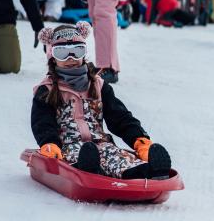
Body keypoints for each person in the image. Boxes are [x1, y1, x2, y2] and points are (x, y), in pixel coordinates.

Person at [31, 22, 172, 179]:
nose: (71, 58)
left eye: (77, 51)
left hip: (101, 144)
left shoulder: (98, 85)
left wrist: (139, 140)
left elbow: (120, 117)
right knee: (81, 158)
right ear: (52, 56)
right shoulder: (47, 89)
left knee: (118, 157)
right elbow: (42, 122)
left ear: (84, 53)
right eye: (62, 53)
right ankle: (89, 171)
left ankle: (150, 171)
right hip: (66, 148)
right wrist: (49, 143)